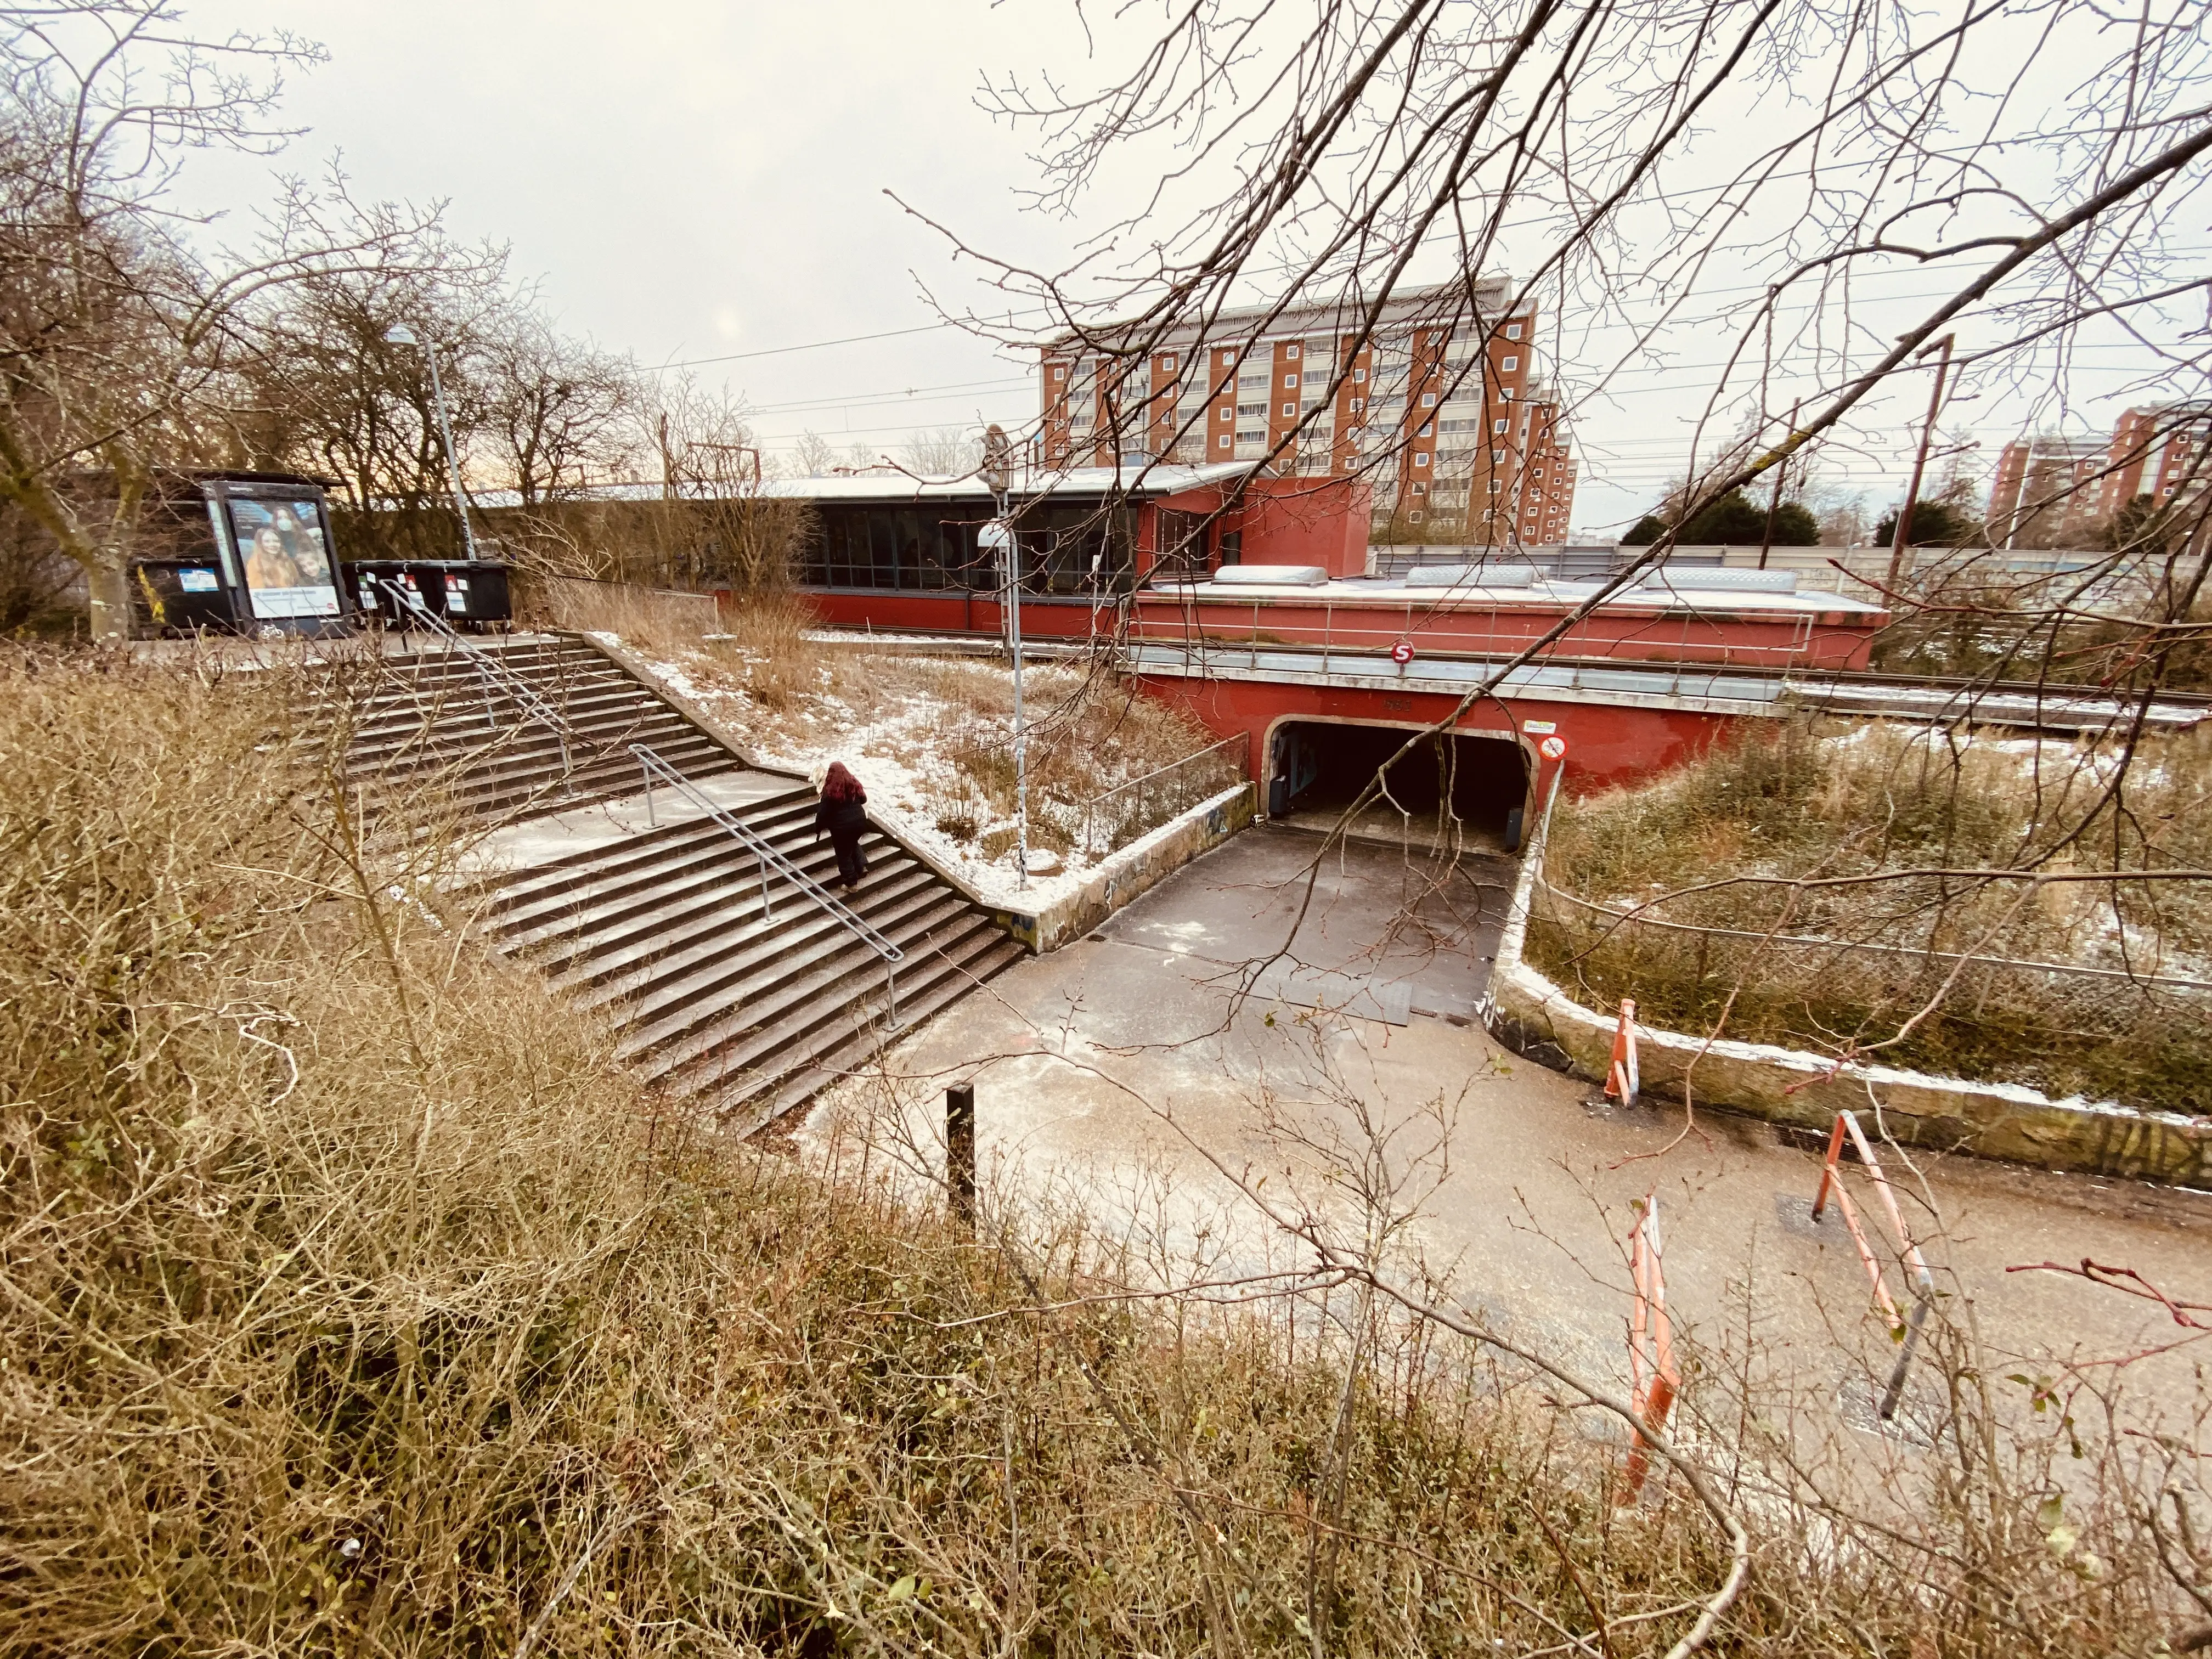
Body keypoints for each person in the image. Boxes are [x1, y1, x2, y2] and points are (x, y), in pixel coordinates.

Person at [815, 761, 870, 890]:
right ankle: (862, 867)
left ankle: (851, 884)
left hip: (842, 828)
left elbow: (823, 813)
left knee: (843, 854)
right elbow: (864, 800)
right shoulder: (854, 783)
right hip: (860, 823)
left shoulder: (830, 790)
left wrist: (818, 829)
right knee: (852, 843)